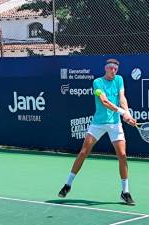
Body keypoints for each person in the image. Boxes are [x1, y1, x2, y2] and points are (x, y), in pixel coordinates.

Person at [58, 58, 137, 205]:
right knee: (83, 152)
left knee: (123, 155)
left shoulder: (119, 80)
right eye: (111, 68)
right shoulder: (97, 83)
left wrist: (128, 114)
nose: (113, 70)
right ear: (105, 68)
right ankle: (67, 185)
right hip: (98, 124)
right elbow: (105, 102)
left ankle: (125, 192)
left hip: (115, 124)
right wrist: (122, 112)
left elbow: (122, 98)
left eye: (115, 68)